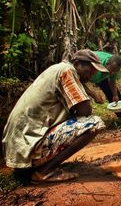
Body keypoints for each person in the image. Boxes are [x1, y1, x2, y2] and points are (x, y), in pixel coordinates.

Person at [2, 49, 107, 183]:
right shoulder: (67, 71)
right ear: (76, 63)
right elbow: (85, 112)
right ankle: (43, 172)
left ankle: (31, 169)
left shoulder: (58, 69)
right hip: (29, 145)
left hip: (20, 146)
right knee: (94, 123)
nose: (92, 74)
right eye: (90, 70)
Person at [85, 50, 121, 117]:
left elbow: (112, 81)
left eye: (115, 71)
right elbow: (80, 83)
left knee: (114, 96)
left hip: (101, 75)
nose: (112, 73)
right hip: (85, 74)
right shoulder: (94, 63)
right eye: (111, 71)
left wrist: (115, 95)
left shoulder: (115, 65)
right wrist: (94, 95)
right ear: (107, 64)